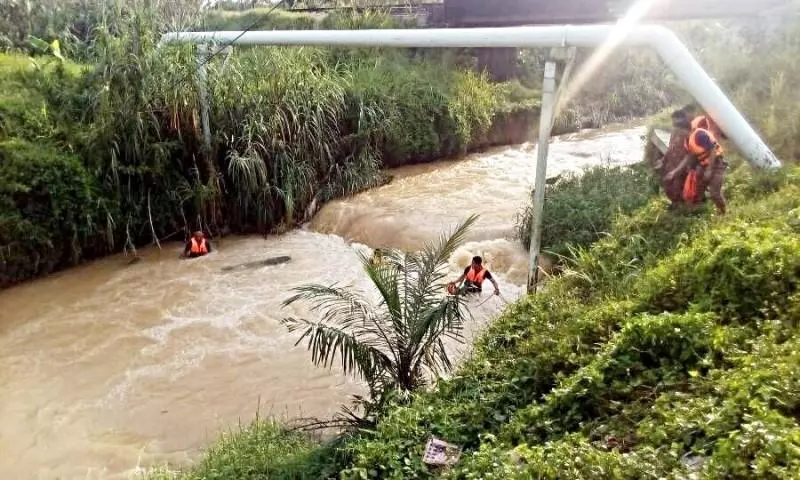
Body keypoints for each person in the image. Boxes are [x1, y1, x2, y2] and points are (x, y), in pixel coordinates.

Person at [666, 113, 728, 215]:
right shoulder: (687, 140)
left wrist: (709, 170)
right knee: (695, 191)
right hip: (703, 165)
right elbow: (689, 156)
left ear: (684, 130)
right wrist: (674, 172)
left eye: (678, 132)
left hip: (716, 164)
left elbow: (712, 149)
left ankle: (723, 214)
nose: (677, 135)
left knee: (714, 193)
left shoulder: (699, 135)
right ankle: (694, 213)